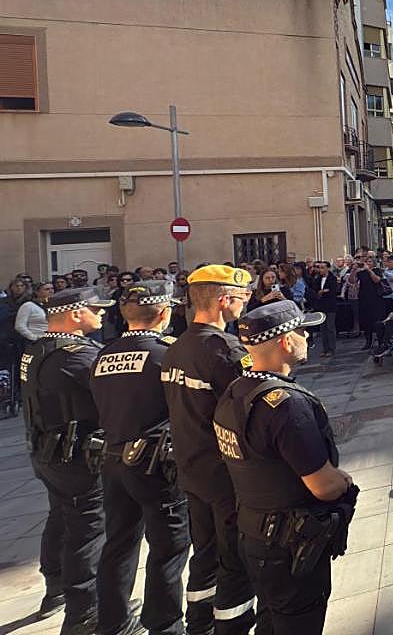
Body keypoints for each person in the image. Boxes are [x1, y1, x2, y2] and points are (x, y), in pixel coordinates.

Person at [215, 301, 356, 633]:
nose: (307, 337)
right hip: (289, 545)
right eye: (302, 331)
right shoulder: (286, 406)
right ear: (285, 341)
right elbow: (323, 485)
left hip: (254, 534)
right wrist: (344, 481)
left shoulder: (236, 392)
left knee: (271, 619)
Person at [162, 265, 257, 635]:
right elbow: (246, 412)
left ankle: (199, 622)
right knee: (234, 557)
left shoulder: (177, 347)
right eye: (242, 297)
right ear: (223, 300)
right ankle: (232, 625)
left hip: (191, 466)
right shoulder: (226, 350)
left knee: (204, 553)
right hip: (223, 472)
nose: (244, 303)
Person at [92, 280, 190, 635]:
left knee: (119, 543)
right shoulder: (167, 353)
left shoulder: (103, 354)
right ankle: (165, 625)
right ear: (164, 313)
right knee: (169, 547)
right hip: (155, 465)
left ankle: (112, 622)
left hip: (113, 459)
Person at [21, 287, 113, 634]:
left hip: (48, 452)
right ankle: (84, 612)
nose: (101, 314)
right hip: (76, 457)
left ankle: (56, 587)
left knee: (60, 516)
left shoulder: (38, 348)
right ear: (75, 313)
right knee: (87, 529)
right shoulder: (76, 356)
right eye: (95, 309)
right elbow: (113, 390)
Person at [307, 261, 340, 358]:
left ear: (328, 268)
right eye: (319, 267)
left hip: (330, 306)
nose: (320, 269)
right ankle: (325, 348)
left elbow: (332, 291)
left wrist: (324, 292)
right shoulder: (317, 279)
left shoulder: (332, 278)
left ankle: (331, 348)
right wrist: (320, 292)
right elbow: (315, 290)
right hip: (321, 306)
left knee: (330, 328)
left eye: (323, 267)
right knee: (323, 328)